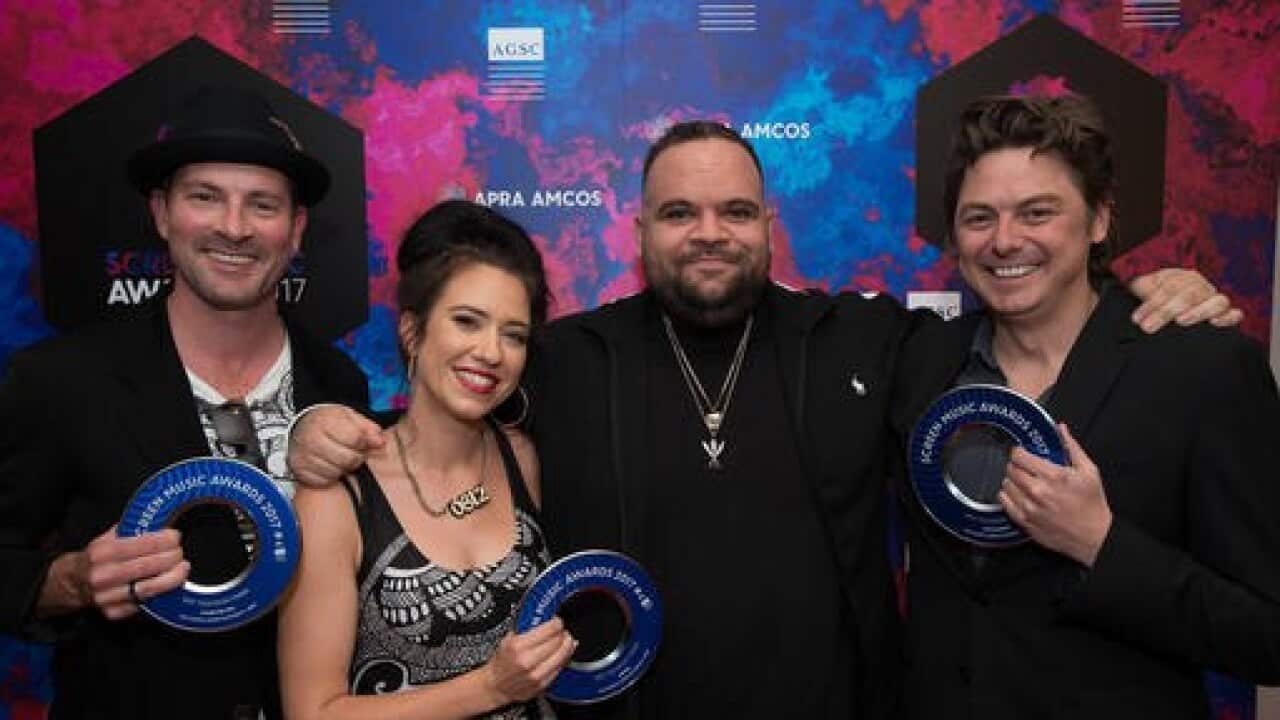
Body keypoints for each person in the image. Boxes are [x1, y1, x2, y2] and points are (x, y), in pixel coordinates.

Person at [288, 121, 1237, 718]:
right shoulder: (570, 356)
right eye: (680, 212)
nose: (710, 233)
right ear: (640, 230)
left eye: (736, 210)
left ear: (770, 224)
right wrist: (321, 428)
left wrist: (1142, 293)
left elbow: (1036, 320)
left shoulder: (871, 341)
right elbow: (448, 411)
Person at [889, 94, 1280, 719]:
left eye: (1038, 212)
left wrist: (1101, 544)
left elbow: (1267, 633)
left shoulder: (1201, 368)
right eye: (979, 218)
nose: (1005, 241)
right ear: (955, 239)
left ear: (1099, 220)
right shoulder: (919, 362)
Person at [0, 85, 368, 719]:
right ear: (162, 212)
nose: (234, 226)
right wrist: (70, 582)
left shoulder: (340, 384)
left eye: (262, 204)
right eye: (205, 197)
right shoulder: (61, 380)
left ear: (296, 229)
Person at [277, 200, 576, 719]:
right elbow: (312, 712)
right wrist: (490, 687)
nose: (490, 351)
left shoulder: (523, 457)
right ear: (412, 331)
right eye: (466, 321)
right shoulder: (338, 494)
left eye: (514, 334)